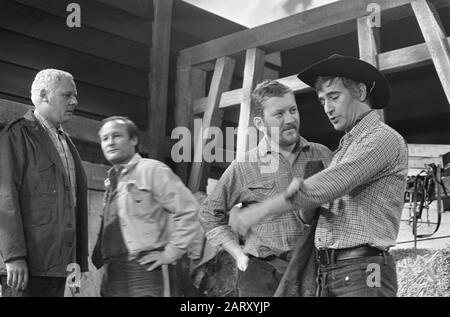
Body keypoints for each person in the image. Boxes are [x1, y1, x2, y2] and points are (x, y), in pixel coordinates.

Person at [231, 55, 408, 297]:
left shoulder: (381, 138)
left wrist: (258, 211)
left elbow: (330, 184)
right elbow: (315, 208)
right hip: (332, 271)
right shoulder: (345, 148)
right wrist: (306, 206)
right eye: (323, 100)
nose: (328, 108)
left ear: (361, 91)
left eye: (334, 97)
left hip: (365, 270)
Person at [200, 80, 332, 297]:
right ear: (260, 123)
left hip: (314, 272)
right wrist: (238, 254)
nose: (290, 119)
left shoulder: (322, 155)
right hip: (262, 277)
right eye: (279, 114)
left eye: (293, 110)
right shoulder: (244, 166)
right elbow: (209, 214)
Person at [0, 69, 89, 297]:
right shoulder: (17, 134)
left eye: (75, 96)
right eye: (67, 95)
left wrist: (77, 264)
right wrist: (13, 255)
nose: (75, 101)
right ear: (44, 95)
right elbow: (4, 195)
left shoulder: (66, 142)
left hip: (58, 265)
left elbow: (75, 205)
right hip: (26, 266)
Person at [92, 116, 200, 297]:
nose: (110, 142)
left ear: (133, 139)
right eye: (105, 138)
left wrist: (170, 253)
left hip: (141, 269)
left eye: (116, 136)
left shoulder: (152, 170)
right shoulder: (111, 181)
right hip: (111, 272)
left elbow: (189, 210)